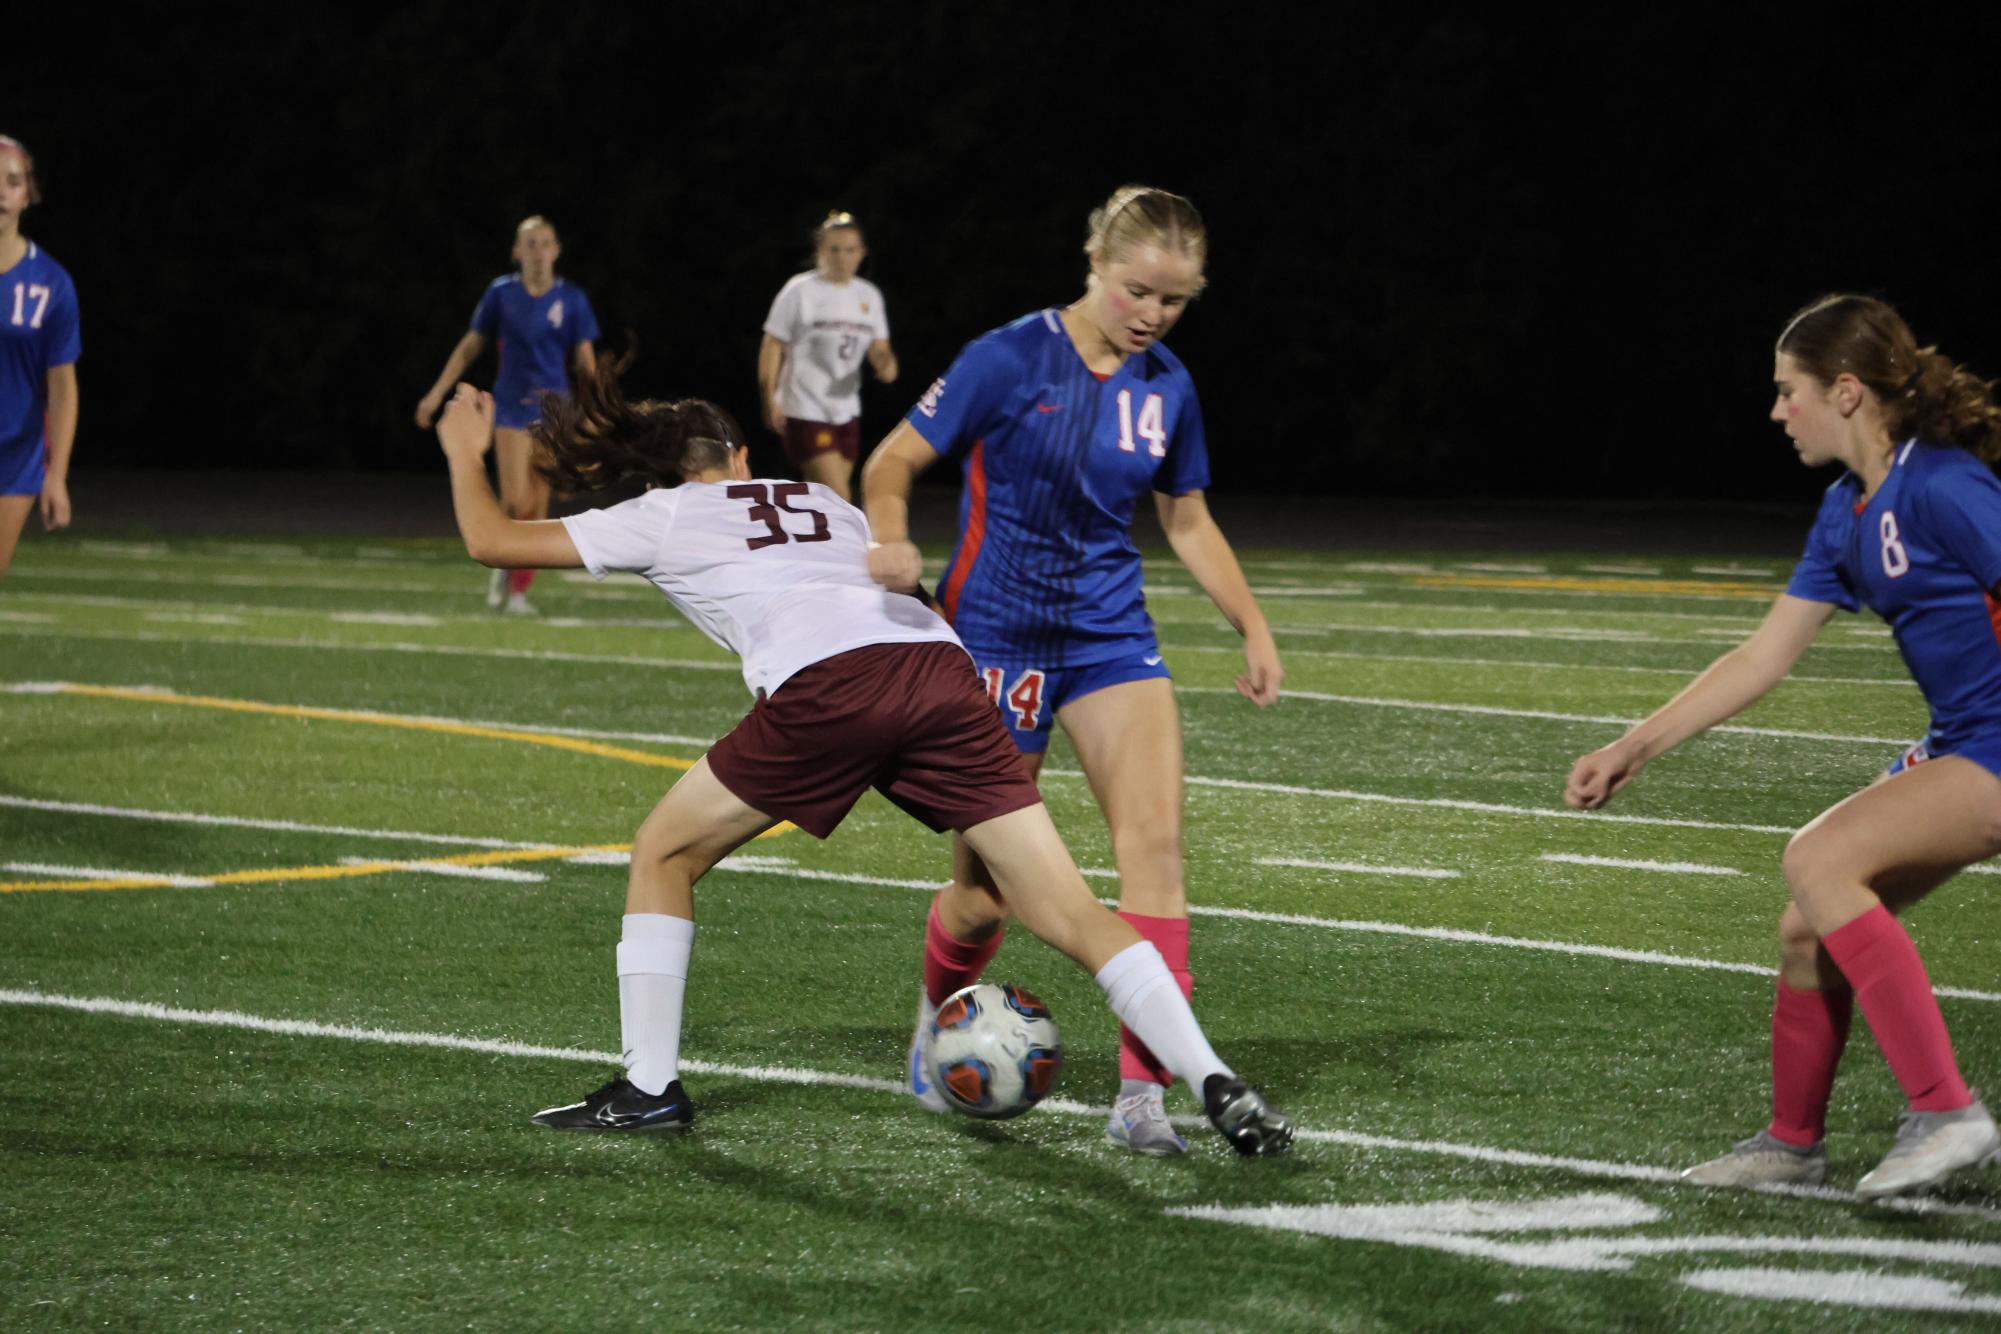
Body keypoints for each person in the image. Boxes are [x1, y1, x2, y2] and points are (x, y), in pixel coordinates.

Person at [430, 366, 1292, 1157]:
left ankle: (650, 1086)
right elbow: (902, 591)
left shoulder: (660, 511)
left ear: (660, 470)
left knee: (665, 850)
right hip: (941, 674)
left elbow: (489, 541)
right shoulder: (821, 500)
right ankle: (1210, 1073)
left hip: (832, 688)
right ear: (737, 455)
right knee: (1062, 905)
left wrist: (466, 453)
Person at [861, 185, 1283, 1155]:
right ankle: (937, 1023)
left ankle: (1143, 1098)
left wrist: (1250, 624)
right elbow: (889, 462)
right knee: (985, 895)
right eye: (1139, 291)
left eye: (1175, 302)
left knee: (1156, 851)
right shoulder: (1007, 356)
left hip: (1107, 638)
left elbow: (1185, 517)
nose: (1153, 315)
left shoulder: (1169, 385)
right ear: (1094, 262)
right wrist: (888, 539)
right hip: (993, 645)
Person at [1565, 293, 2001, 1200]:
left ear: (1844, 392)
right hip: (1965, 740)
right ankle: (1792, 1145)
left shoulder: (1943, 484)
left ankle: (1944, 1110)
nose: (1774, 412)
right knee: (1808, 928)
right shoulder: (1845, 511)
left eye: (1785, 390)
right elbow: (1761, 656)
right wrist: (1634, 747)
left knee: (1819, 857)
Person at [417, 215, 599, 614]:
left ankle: (518, 592)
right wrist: (435, 394)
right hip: (512, 407)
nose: (538, 251)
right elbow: (470, 346)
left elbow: (586, 362)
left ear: (556, 250)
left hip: (555, 412)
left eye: (545, 243)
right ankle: (501, 560)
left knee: (538, 506)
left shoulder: (572, 300)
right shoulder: (501, 293)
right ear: (517, 252)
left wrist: (593, 414)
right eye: (530, 244)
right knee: (515, 502)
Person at [757, 211, 897, 502]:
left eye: (849, 250)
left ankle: (796, 543)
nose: (841, 257)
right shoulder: (800, 290)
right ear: (820, 250)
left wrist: (885, 364)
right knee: (840, 498)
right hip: (804, 407)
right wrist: (769, 397)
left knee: (821, 500)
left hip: (846, 410)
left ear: (862, 253)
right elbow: (773, 345)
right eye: (833, 249)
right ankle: (853, 548)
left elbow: (880, 349)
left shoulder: (868, 296)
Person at [0, 135, 78, 579]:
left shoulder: (51, 283)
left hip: (13, 459)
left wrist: (57, 475)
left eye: (12, 182)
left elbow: (63, 385)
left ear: (28, 194)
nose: (0, 192)